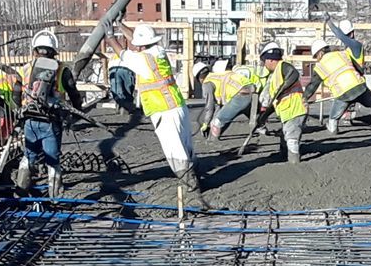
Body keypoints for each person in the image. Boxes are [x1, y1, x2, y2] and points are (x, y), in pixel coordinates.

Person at [121, 23, 201, 193]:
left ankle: (190, 184)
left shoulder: (143, 60)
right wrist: (120, 26)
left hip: (163, 110)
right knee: (185, 144)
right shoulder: (157, 52)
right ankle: (194, 174)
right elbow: (136, 44)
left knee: (174, 149)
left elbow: (123, 54)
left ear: (141, 45)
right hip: (177, 106)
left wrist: (110, 36)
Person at [12, 30, 83, 196]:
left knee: (29, 156)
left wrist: (19, 113)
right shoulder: (62, 70)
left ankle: (21, 190)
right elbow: (74, 93)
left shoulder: (25, 69)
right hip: (51, 121)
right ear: (54, 51)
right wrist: (76, 113)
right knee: (52, 159)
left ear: (34, 49)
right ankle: (55, 195)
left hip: (30, 120)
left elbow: (16, 94)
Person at [307, 41, 371, 137]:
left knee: (333, 119)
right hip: (359, 87)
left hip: (343, 94)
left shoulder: (320, 67)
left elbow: (312, 86)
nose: (316, 59)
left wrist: (304, 99)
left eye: (315, 57)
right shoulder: (343, 54)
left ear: (320, 53)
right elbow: (359, 69)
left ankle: (333, 130)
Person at [254, 43, 310, 164]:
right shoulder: (275, 76)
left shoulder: (282, 66)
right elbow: (274, 101)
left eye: (265, 62)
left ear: (270, 60)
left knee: (291, 137)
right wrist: (263, 117)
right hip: (288, 111)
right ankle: (283, 156)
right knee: (285, 134)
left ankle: (294, 162)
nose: (264, 65)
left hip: (295, 109)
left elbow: (294, 73)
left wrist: (282, 89)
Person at [207, 57, 264, 139]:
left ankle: (213, 139)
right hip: (255, 92)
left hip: (245, 94)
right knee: (256, 118)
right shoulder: (238, 70)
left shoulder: (229, 77)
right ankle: (262, 129)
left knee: (220, 120)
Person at [103, 28, 141, 121]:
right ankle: (126, 108)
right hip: (126, 68)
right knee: (127, 91)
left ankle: (123, 108)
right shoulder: (131, 53)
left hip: (115, 68)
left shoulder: (120, 54)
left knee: (118, 91)